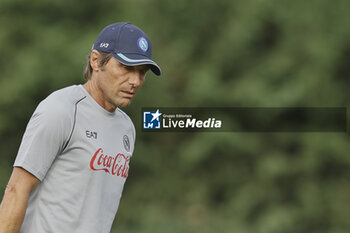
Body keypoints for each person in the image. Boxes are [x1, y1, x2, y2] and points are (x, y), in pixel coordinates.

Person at [0, 22, 161, 233]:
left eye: (142, 72)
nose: (135, 81)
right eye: (127, 67)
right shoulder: (61, 110)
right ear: (96, 60)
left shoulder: (126, 128)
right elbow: (16, 190)